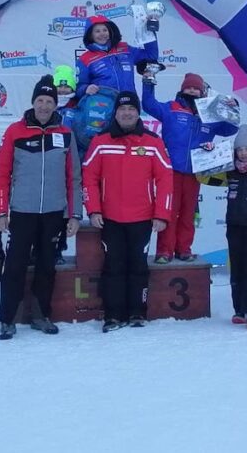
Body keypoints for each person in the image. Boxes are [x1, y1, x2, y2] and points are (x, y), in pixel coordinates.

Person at [0, 75, 82, 340]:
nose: (44, 106)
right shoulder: (15, 131)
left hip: (54, 213)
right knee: (15, 266)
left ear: (56, 105)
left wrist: (75, 214)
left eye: (49, 101)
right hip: (22, 212)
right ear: (33, 103)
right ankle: (7, 319)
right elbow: (2, 175)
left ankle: (41, 315)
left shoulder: (65, 134)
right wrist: (0, 210)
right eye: (40, 100)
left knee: (47, 266)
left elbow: (73, 177)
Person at [84, 91, 173, 332]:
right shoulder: (100, 141)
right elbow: (89, 178)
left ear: (137, 113)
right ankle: (113, 315)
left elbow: (165, 178)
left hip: (142, 218)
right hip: (109, 218)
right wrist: (93, 209)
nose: (127, 113)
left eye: (131, 109)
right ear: (116, 113)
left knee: (138, 266)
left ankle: (137, 312)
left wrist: (161, 214)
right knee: (113, 266)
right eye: (122, 110)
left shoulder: (152, 141)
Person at [142, 70, 238, 263]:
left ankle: (184, 249)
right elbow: (148, 104)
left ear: (202, 92)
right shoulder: (171, 109)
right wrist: (148, 84)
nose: (193, 91)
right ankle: (164, 251)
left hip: (196, 173)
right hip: (171, 171)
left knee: (188, 213)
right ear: (182, 89)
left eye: (196, 88)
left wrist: (232, 109)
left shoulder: (210, 115)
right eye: (189, 87)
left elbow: (231, 129)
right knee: (169, 211)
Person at [197, 125, 247, 329]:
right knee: (236, 268)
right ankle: (239, 309)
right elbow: (202, 177)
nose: (243, 153)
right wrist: (208, 155)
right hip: (235, 224)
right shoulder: (229, 170)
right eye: (240, 149)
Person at [75, 14, 159, 99]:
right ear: (90, 35)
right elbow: (78, 88)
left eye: (105, 30)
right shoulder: (84, 59)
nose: (102, 34)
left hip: (129, 105)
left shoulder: (125, 49)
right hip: (103, 107)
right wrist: (85, 88)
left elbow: (151, 55)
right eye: (97, 31)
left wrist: (148, 31)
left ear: (110, 31)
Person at [53, 64, 79, 264]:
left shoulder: (78, 106)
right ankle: (49, 247)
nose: (63, 91)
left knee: (66, 208)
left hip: (70, 162)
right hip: (51, 164)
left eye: (66, 87)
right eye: (60, 87)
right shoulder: (46, 107)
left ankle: (60, 245)